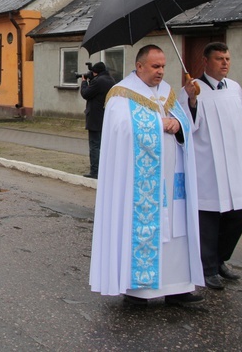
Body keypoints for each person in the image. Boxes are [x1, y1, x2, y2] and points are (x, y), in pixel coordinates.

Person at [89, 45, 204, 305]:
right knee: (145, 228)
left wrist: (179, 122)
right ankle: (138, 290)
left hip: (172, 177)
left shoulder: (168, 93)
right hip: (140, 182)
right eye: (155, 66)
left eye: (163, 66)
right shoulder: (121, 95)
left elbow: (184, 121)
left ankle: (177, 287)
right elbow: (120, 129)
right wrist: (157, 124)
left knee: (176, 230)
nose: (161, 71)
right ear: (139, 66)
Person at [179, 42, 242, 291]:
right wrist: (192, 101)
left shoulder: (235, 88)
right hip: (208, 165)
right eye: (219, 59)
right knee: (210, 217)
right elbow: (186, 126)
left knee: (238, 214)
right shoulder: (191, 90)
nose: (225, 63)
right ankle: (207, 268)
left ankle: (221, 259)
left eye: (227, 58)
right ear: (206, 61)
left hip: (234, 163)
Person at [80, 62, 116, 179]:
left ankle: (95, 171)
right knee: (104, 145)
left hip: (95, 118)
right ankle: (106, 170)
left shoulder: (97, 81)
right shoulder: (111, 80)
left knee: (95, 145)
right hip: (107, 117)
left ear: (95, 72)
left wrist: (84, 82)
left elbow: (86, 94)